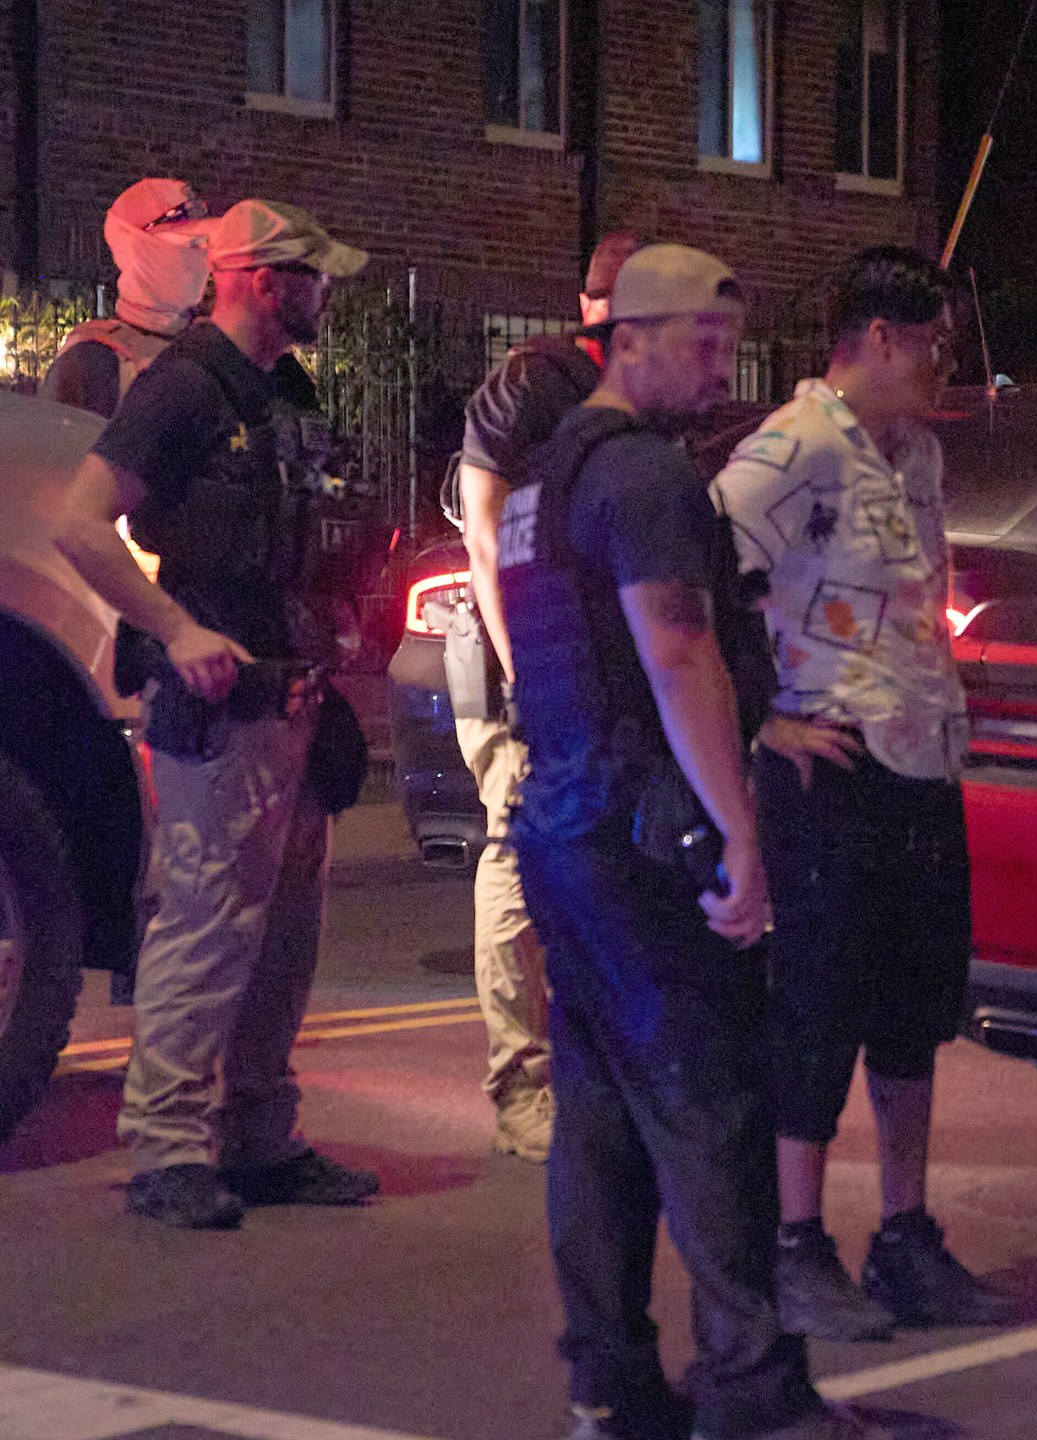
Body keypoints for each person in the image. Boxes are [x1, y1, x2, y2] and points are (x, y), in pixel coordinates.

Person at [499, 243, 852, 1440]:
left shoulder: (548, 475)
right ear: (629, 337)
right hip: (646, 837)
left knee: (599, 1119)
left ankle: (610, 1383)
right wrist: (741, 839)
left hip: (563, 824)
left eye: (728, 345)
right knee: (711, 1112)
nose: (720, 370)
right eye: (702, 344)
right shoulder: (646, 475)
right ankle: (750, 1391)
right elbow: (677, 650)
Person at [52, 199, 379, 1229]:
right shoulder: (184, 390)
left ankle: (258, 1136)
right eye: (312, 273)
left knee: (283, 933)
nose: (326, 291)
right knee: (206, 923)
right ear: (260, 278)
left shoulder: (280, 391)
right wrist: (176, 629)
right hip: (219, 704)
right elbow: (78, 521)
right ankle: (168, 1148)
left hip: (288, 695)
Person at [711, 247, 1006, 1342]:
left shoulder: (913, 455)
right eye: (930, 342)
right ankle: (794, 1244)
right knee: (818, 1006)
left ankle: (905, 1234)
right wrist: (761, 716)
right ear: (877, 338)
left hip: (920, 756)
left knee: (914, 1007)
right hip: (829, 767)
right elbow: (704, 570)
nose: (941, 364)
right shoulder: (795, 447)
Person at [448, 231, 644, 1163]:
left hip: (587, 656)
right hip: (519, 654)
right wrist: (528, 669)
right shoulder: (533, 381)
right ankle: (521, 1088)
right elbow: (485, 539)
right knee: (518, 856)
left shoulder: (629, 393)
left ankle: (588, 1075)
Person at [42, 177, 216, 421]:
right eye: (189, 246)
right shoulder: (92, 362)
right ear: (139, 253)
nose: (202, 259)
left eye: (203, 245)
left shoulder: (213, 345)